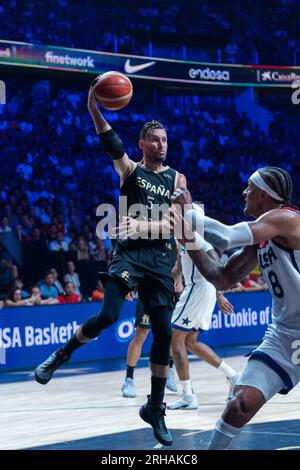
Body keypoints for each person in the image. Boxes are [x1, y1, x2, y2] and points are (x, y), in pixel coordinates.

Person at [34, 85, 187, 447]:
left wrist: (167, 257)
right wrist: (93, 108)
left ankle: (155, 408)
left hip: (161, 259)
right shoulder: (130, 170)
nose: (162, 144)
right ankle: (60, 356)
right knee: (108, 316)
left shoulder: (177, 179)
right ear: (142, 144)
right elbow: (110, 142)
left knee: (163, 334)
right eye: (155, 139)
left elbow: (176, 225)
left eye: (165, 139)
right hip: (130, 255)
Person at [170, 166, 300, 449]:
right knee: (239, 405)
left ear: (264, 193)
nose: (244, 193)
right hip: (286, 335)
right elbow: (223, 278)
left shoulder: (285, 217)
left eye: (249, 188)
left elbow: (226, 237)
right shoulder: (263, 237)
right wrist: (188, 236)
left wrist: (188, 212)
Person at [167, 233, 238, 410]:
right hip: (198, 290)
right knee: (190, 342)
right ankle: (234, 376)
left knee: (174, 342)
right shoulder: (182, 240)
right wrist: (173, 277)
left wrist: (220, 295)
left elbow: (217, 268)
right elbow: (178, 269)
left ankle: (188, 395)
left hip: (198, 289)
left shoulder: (198, 238)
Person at [121, 298, 177, 398]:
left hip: (169, 295)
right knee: (141, 333)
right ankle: (128, 380)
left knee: (171, 332)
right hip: (149, 294)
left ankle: (170, 372)